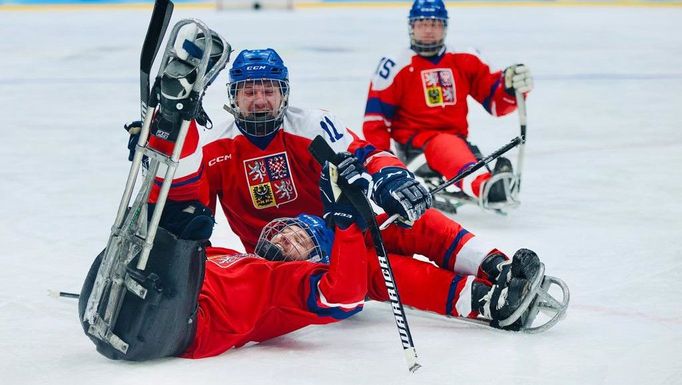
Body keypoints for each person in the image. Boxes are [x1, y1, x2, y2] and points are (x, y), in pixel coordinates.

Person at [79, 161, 540, 361]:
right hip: (155, 307)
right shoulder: (233, 258)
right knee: (176, 220)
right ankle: (485, 298)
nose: (285, 235)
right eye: (284, 230)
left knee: (397, 240)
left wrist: (347, 222)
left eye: (300, 237)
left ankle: (492, 277)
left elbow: (343, 294)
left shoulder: (288, 283)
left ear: (315, 259)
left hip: (172, 321)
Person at [140, 47, 432, 252]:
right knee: (389, 276)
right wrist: (158, 155)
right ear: (234, 96)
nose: (259, 100)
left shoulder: (313, 124)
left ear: (284, 94)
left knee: (422, 224)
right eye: (249, 92)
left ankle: (479, 264)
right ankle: (466, 296)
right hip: (277, 262)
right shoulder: (212, 146)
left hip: (340, 240)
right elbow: (190, 215)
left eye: (268, 91)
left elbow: (366, 155)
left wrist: (392, 177)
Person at [362, 0, 534, 210]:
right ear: (411, 26)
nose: (428, 30)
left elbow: (496, 104)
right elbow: (375, 121)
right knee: (445, 145)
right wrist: (384, 166)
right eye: (422, 24)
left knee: (452, 147)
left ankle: (486, 182)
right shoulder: (394, 65)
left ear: (444, 27)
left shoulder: (465, 59)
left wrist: (510, 88)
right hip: (416, 150)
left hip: (457, 143)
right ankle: (484, 188)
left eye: (434, 24)